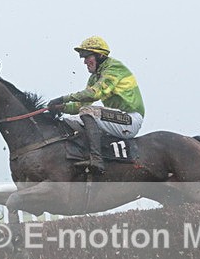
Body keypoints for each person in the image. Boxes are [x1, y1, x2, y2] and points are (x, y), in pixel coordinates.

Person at [47, 36, 145, 174]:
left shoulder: (114, 68)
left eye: (87, 57)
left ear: (100, 55)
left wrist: (63, 98)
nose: (85, 62)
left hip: (130, 120)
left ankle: (97, 159)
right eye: (83, 58)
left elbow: (94, 94)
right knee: (70, 121)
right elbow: (79, 105)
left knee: (88, 112)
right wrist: (61, 108)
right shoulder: (94, 77)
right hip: (116, 118)